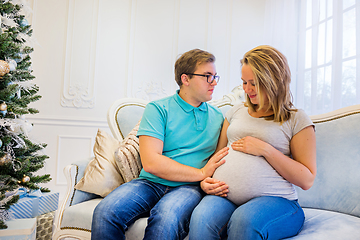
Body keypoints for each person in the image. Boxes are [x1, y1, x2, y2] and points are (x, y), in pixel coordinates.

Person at [91, 49, 229, 240]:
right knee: (105, 212)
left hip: (189, 187)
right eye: (207, 76)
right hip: (150, 182)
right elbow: (152, 162)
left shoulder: (219, 118)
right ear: (185, 79)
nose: (214, 82)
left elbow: (220, 158)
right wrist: (201, 173)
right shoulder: (158, 109)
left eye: (215, 76)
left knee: (165, 218)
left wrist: (204, 178)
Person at [189, 45, 317, 240]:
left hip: (278, 202)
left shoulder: (296, 119)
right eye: (244, 82)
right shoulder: (236, 111)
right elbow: (218, 154)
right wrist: (205, 180)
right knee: (200, 218)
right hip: (226, 197)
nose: (247, 89)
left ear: (273, 81)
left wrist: (266, 150)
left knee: (244, 221)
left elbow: (307, 180)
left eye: (254, 83)